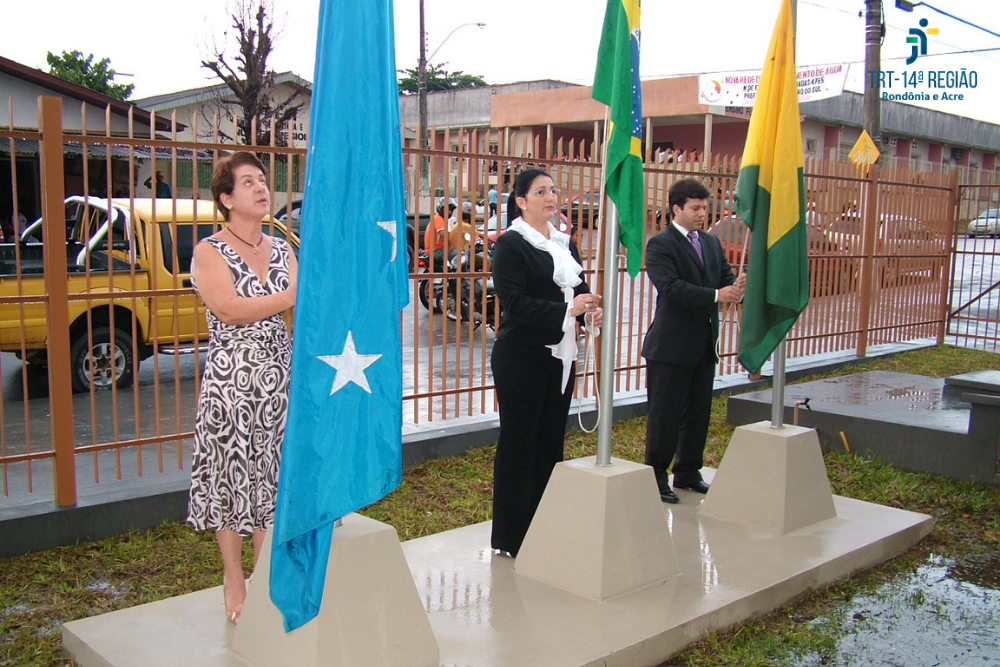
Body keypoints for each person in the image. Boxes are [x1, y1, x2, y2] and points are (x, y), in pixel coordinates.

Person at [186, 151, 298, 624]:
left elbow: (300, 315)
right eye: (247, 182)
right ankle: (233, 577)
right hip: (233, 384)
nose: (260, 188)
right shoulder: (209, 251)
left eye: (262, 180)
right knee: (232, 479)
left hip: (281, 382)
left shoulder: (284, 248)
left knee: (273, 481)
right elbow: (228, 309)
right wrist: (292, 296)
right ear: (227, 198)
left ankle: (266, 572)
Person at [489, 167, 603, 557]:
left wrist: (588, 312)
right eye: (540, 192)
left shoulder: (564, 243)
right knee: (519, 445)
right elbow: (516, 304)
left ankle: (544, 523)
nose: (550, 198)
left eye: (553, 191)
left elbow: (580, 290)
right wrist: (567, 310)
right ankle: (512, 536)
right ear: (521, 201)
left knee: (551, 441)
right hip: (521, 357)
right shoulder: (510, 245)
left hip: (561, 358)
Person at [642, 178, 744, 504]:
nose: (702, 213)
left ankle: (688, 471)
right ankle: (656, 474)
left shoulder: (711, 243)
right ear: (677, 209)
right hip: (671, 348)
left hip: (703, 345)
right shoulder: (660, 244)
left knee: (698, 414)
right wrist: (716, 295)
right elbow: (671, 288)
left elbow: (724, 278)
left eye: (705, 207)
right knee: (665, 415)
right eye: (696, 208)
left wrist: (737, 286)